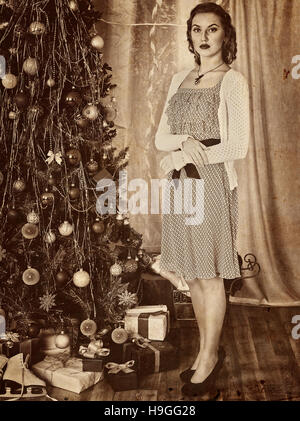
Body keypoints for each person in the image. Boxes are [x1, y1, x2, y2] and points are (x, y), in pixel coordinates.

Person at [151, 2, 250, 396]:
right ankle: (205, 353)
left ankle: (209, 356)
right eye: (197, 30)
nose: (204, 37)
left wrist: (181, 154)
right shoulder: (179, 79)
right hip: (180, 185)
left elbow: (237, 145)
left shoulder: (233, 81)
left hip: (209, 182)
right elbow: (160, 137)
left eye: (212, 29)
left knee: (209, 277)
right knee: (192, 274)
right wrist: (181, 144)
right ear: (189, 36)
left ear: (225, 35)